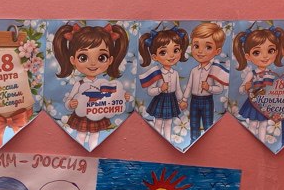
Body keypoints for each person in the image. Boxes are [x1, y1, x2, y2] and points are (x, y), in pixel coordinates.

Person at [51, 22, 131, 151]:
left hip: (98, 114)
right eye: (83, 57)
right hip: (81, 115)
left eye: (101, 57)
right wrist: (70, 104)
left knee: (96, 135)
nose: (93, 63)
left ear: (110, 60)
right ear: (73, 60)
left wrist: (124, 97)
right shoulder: (79, 83)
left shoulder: (106, 84)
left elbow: (114, 95)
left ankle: (93, 149)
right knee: (81, 135)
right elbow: (69, 99)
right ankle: (77, 152)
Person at [138, 26, 189, 144]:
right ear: (155, 57)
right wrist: (160, 89)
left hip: (171, 99)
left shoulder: (175, 73)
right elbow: (150, 91)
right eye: (163, 52)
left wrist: (182, 100)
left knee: (169, 122)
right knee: (158, 121)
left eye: (175, 50)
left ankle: (168, 141)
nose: (171, 56)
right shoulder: (157, 73)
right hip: (160, 99)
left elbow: (178, 89)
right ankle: (157, 141)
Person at [234, 26, 283, 145]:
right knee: (253, 124)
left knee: (264, 125)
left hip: (266, 104)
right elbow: (241, 90)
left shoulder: (272, 74)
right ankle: (251, 144)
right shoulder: (252, 73)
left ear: (276, 52)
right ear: (248, 56)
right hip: (253, 103)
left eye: (270, 51)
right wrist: (245, 87)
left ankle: (261, 144)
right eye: (257, 52)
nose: (265, 56)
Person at [184, 22, 229, 144]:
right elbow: (189, 86)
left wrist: (209, 88)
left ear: (217, 51)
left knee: (208, 123)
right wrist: (184, 99)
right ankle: (193, 141)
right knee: (194, 123)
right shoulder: (194, 70)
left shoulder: (214, 70)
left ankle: (209, 144)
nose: (200, 51)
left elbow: (220, 88)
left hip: (207, 100)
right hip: (194, 100)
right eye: (196, 46)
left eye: (208, 47)